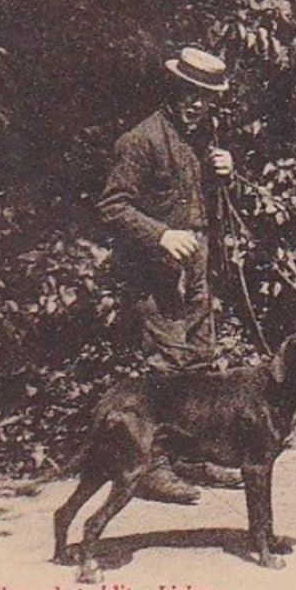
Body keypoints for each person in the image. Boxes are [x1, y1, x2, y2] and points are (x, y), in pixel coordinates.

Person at [97, 45, 237, 503]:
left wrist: (225, 173)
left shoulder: (202, 137)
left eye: (206, 97)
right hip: (156, 270)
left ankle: (193, 458)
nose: (197, 104)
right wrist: (160, 236)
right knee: (166, 365)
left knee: (200, 357)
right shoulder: (140, 139)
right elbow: (113, 206)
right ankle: (153, 469)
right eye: (189, 93)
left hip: (196, 263)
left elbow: (201, 201)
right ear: (173, 89)